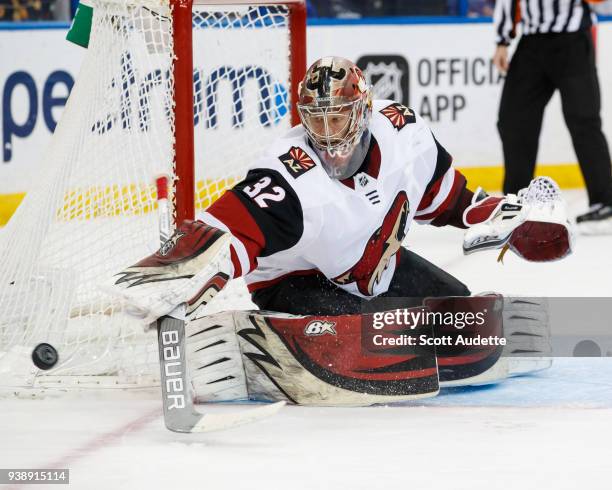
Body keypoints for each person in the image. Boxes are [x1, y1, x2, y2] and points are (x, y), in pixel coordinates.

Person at [112, 57, 569, 405]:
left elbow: (447, 199)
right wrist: (176, 274)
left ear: (364, 110)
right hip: (294, 281)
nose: (327, 134)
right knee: (369, 341)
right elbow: (227, 232)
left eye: (338, 117)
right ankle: (253, 346)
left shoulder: (405, 133)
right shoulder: (289, 175)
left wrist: (505, 219)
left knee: (461, 322)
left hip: (375, 270)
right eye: (316, 119)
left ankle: (333, 338)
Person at [493, 0, 612, 234]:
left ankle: (605, 201)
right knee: (513, 119)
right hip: (531, 43)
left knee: (584, 120)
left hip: (573, 39)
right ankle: (518, 201)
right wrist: (502, 40)